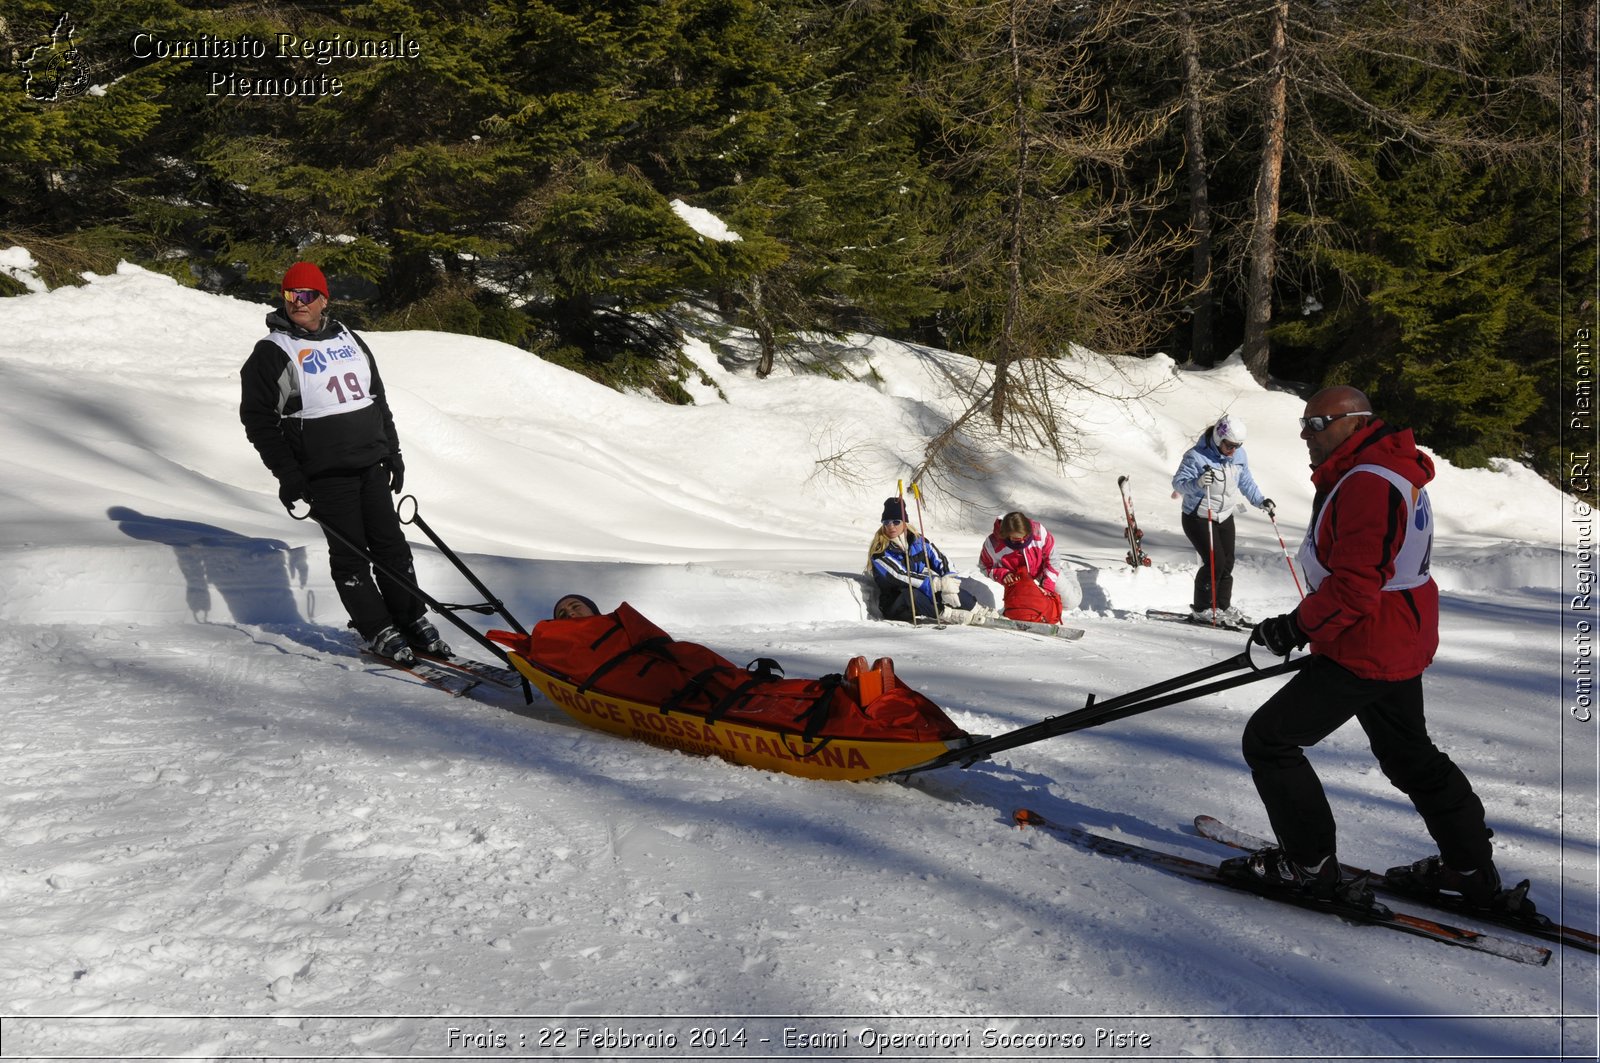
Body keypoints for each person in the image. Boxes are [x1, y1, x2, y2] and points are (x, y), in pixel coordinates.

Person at [1224, 385, 1512, 911]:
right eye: (1304, 424)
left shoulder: (1369, 481)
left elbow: (1357, 584)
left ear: (1356, 422)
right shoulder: (1381, 468)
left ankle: (1309, 866)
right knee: (1410, 757)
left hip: (1366, 642)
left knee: (1270, 741)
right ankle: (1469, 870)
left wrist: (1296, 627)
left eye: (1319, 424)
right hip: (1393, 635)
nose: (1306, 436)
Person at [240, 261, 449, 666]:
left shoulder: (348, 339)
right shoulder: (272, 352)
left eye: (306, 295)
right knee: (352, 557)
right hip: (324, 473)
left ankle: (410, 618)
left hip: (370, 463)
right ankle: (376, 627)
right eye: (290, 295)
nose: (297, 303)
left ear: (323, 299)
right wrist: (288, 475)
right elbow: (258, 421)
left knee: (392, 547)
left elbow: (376, 398)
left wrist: (393, 451)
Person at [1171, 413, 1275, 624]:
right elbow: (1178, 483)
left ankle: (1222, 606)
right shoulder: (1196, 456)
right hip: (1198, 516)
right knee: (1214, 562)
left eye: (1238, 445)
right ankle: (1202, 608)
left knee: (1227, 563)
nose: (1233, 450)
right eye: (1229, 445)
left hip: (1225, 515)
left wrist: (1261, 501)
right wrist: (1198, 483)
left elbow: (1246, 482)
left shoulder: (1238, 456)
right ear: (1219, 438)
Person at [867, 497, 971, 622]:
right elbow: (901, 575)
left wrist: (948, 579)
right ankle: (949, 614)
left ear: (905, 522)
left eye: (896, 521)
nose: (891, 526)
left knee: (949, 586)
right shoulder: (880, 552)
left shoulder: (918, 541)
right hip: (896, 605)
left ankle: (977, 609)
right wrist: (936, 583)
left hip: (920, 595)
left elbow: (941, 559)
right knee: (911, 593)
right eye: (886, 522)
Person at [978, 511, 1077, 622]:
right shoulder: (993, 544)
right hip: (1016, 577)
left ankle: (1068, 572)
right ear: (1006, 535)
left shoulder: (1039, 531)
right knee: (1021, 610)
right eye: (1017, 539)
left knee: (1071, 603)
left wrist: (1046, 587)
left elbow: (1052, 559)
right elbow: (984, 566)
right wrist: (1002, 574)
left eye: (1026, 536)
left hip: (1041, 569)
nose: (1023, 540)